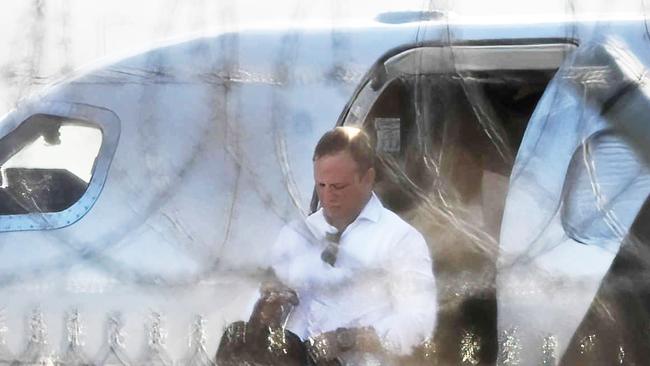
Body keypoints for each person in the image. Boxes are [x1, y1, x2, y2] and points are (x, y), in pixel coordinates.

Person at [269, 126, 437, 365]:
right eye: (321, 185)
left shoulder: (400, 239)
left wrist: (349, 339)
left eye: (338, 187)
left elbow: (418, 324)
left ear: (367, 178)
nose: (328, 197)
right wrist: (266, 312)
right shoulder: (295, 235)